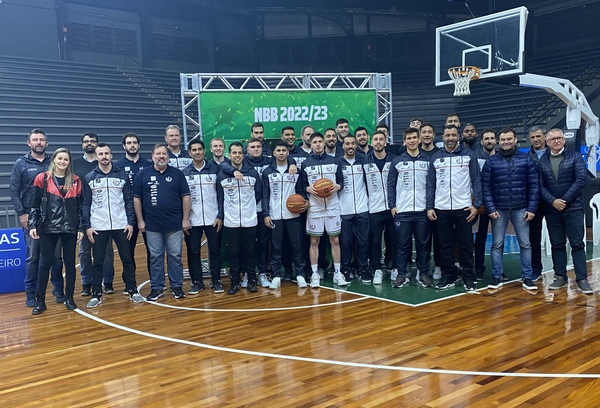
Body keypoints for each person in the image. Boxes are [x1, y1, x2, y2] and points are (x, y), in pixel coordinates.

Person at [82, 143, 144, 307]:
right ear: (96, 156)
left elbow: (129, 201)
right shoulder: (89, 177)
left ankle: (132, 290)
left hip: (121, 224)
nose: (104, 156)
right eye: (100, 154)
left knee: (127, 259)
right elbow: (86, 204)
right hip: (98, 226)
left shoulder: (122, 175)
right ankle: (96, 294)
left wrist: (131, 222)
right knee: (98, 262)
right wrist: (87, 226)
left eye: (106, 153)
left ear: (111, 155)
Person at [10, 128, 64, 306]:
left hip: (54, 217)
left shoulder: (54, 162)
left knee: (56, 257)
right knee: (33, 257)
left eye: (42, 140)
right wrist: (22, 213)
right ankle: (31, 294)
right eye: (35, 140)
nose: (39, 142)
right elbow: (14, 190)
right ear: (29, 143)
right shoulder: (21, 163)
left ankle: (58, 289)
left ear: (47, 143)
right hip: (32, 218)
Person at [481, 128, 539, 291]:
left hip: (522, 208)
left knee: (525, 244)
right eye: (503, 139)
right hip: (498, 209)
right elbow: (486, 187)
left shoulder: (526, 159)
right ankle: (497, 276)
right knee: (497, 244)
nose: (506, 142)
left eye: (509, 139)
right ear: (499, 142)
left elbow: (534, 185)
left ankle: (527, 277)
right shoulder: (491, 162)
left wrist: (532, 208)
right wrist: (490, 208)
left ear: (515, 140)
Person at [426, 125, 481, 291]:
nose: (450, 138)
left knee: (465, 244)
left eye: (453, 135)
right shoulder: (435, 158)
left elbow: (476, 181)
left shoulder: (468, 155)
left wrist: (476, 205)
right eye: (447, 135)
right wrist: (430, 207)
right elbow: (430, 185)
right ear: (442, 137)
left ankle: (468, 277)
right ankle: (449, 275)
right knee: (445, 245)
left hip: (464, 207)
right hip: (441, 208)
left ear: (459, 136)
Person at [133, 143, 191, 301]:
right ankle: (157, 288)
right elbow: (136, 199)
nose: (161, 156)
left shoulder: (178, 174)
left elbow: (186, 197)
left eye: (164, 154)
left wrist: (185, 219)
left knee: (175, 256)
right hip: (152, 225)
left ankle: (177, 286)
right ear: (152, 157)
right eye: (158, 154)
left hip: (174, 224)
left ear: (168, 156)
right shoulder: (142, 174)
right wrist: (140, 221)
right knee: (155, 257)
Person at [29, 148, 83, 315]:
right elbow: (34, 204)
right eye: (60, 158)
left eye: (66, 159)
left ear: (69, 162)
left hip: (69, 228)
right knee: (44, 264)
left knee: (70, 264)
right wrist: (32, 225)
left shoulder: (75, 180)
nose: (62, 162)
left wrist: (81, 227)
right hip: (48, 227)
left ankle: (70, 298)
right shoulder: (42, 178)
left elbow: (80, 208)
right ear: (54, 160)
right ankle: (40, 301)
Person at [538, 128, 592, 294]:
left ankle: (582, 279)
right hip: (552, 210)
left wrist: (564, 200)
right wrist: (553, 201)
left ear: (564, 140)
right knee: (557, 244)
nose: (556, 141)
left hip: (573, 208)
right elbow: (539, 185)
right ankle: (560, 276)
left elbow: (581, 180)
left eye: (559, 138)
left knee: (577, 244)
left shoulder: (575, 157)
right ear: (547, 142)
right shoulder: (542, 161)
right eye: (552, 139)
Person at [300, 132, 347, 288]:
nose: (318, 144)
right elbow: (301, 185)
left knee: (335, 240)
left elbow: (341, 182)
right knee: (314, 241)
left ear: (324, 143)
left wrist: (338, 186)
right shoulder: (306, 163)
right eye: (315, 142)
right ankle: (314, 274)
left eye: (320, 141)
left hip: (332, 207)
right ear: (311, 144)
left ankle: (337, 273)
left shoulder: (335, 161)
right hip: (315, 207)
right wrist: (307, 188)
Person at [388, 128, 432, 288]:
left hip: (422, 211)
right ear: (404, 141)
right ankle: (401, 274)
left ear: (419, 139)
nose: (412, 140)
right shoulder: (397, 161)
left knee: (423, 244)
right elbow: (391, 184)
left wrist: (429, 206)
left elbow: (431, 186)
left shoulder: (428, 161)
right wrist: (392, 206)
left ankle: (423, 274)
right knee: (402, 245)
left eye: (415, 137)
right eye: (409, 138)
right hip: (403, 211)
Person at [216, 142, 262, 295]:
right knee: (233, 252)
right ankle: (235, 281)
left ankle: (251, 279)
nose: (237, 155)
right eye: (234, 153)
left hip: (250, 220)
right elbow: (220, 198)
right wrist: (222, 216)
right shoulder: (222, 174)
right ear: (229, 155)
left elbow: (258, 193)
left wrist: (249, 208)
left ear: (243, 155)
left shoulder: (252, 173)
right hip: (231, 220)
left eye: (239, 153)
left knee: (250, 251)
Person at [72, 132, 115, 296]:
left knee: (107, 251)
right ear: (82, 144)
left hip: (104, 214)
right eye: (86, 141)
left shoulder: (105, 164)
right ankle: (86, 282)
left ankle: (108, 281)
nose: (89, 143)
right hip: (82, 214)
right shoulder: (75, 164)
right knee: (84, 251)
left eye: (93, 141)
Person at [262, 140, 308, 289]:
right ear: (274, 153)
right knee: (276, 247)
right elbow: (265, 195)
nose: (281, 153)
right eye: (278, 150)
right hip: (275, 215)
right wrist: (266, 214)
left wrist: (305, 201)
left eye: (284, 150)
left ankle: (300, 274)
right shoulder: (268, 172)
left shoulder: (296, 171)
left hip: (293, 215)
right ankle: (276, 275)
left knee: (297, 246)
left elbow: (301, 190)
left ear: (288, 152)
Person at [182, 137, 225, 294]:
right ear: (189, 153)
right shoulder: (185, 173)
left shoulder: (215, 170)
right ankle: (197, 282)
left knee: (215, 251)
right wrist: (184, 219)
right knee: (193, 252)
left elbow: (221, 195)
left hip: (213, 219)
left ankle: (216, 281)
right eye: (194, 150)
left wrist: (220, 215)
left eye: (200, 149)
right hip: (192, 220)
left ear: (204, 151)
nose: (197, 152)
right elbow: (181, 198)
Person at [115, 132, 152, 281]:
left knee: (152, 250)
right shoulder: (117, 166)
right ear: (124, 146)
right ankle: (129, 282)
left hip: (147, 214)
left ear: (139, 145)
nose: (132, 145)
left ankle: (154, 280)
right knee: (127, 250)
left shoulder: (148, 165)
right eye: (129, 143)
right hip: (126, 215)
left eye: (134, 142)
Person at [364, 130, 397, 285]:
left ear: (385, 142)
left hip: (392, 208)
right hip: (374, 208)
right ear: (372, 143)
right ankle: (377, 269)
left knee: (395, 240)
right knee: (375, 241)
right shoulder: (365, 162)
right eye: (375, 139)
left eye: (381, 139)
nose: (378, 142)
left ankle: (395, 267)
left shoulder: (394, 160)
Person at [338, 134, 370, 282]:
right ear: (343, 146)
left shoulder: (364, 161)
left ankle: (362, 269)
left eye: (353, 143)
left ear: (356, 145)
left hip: (363, 208)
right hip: (344, 210)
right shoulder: (337, 162)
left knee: (363, 242)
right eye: (347, 144)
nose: (350, 146)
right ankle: (346, 269)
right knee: (345, 242)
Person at [474, 128, 497, 281]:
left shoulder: (501, 158)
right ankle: (478, 268)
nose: (489, 141)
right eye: (486, 138)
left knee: (498, 239)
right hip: (481, 206)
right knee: (480, 238)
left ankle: (498, 270)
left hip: (499, 205)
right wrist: (478, 202)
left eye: (492, 138)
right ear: (481, 141)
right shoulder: (476, 158)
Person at [527, 126, 549, 281]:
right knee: (533, 238)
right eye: (533, 137)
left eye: (538, 136)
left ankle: (560, 272)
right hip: (534, 202)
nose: (535, 139)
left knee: (556, 238)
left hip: (553, 201)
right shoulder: (527, 157)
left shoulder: (554, 154)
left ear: (544, 136)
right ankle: (536, 270)